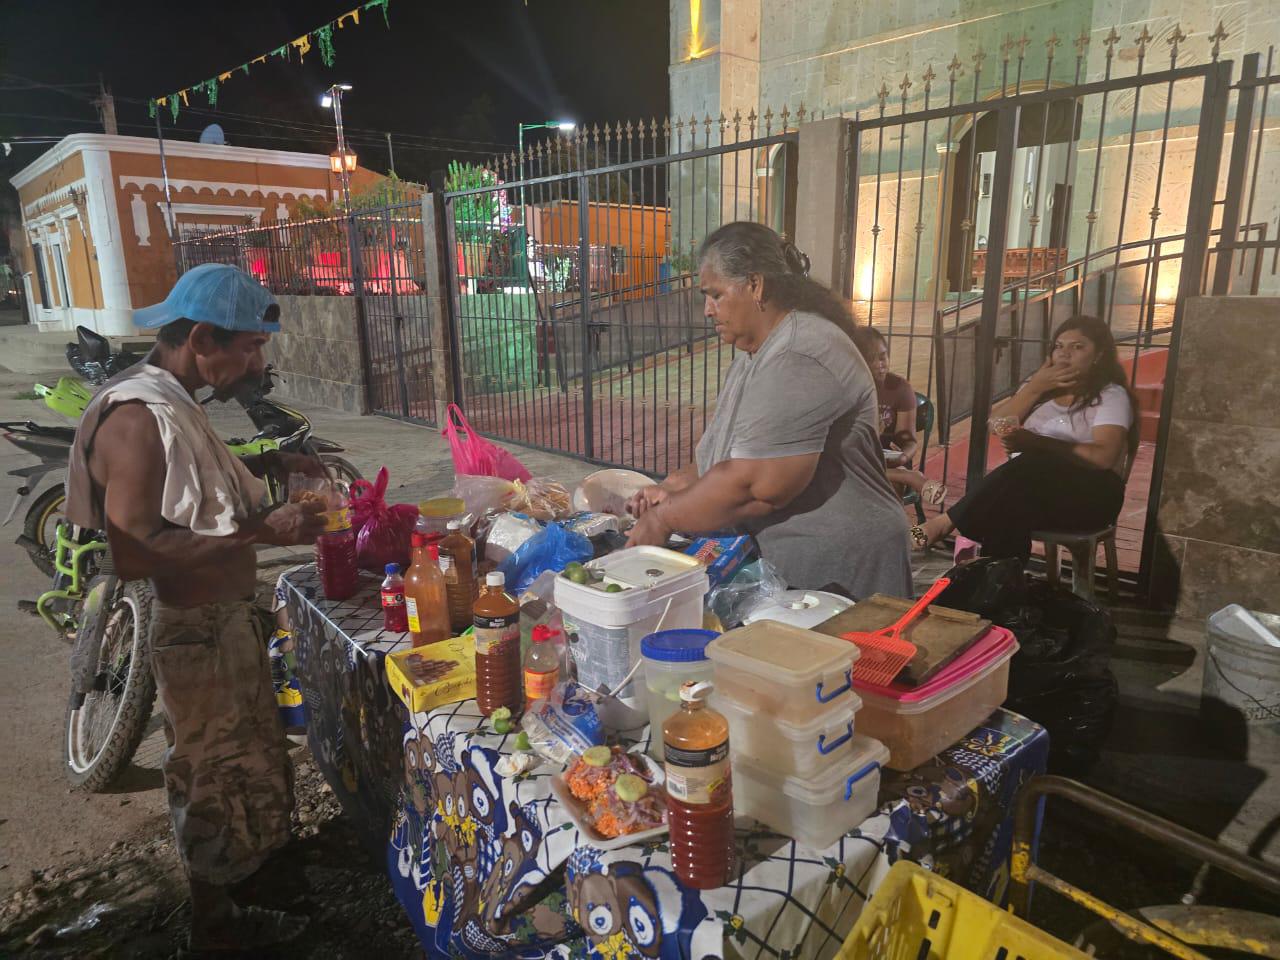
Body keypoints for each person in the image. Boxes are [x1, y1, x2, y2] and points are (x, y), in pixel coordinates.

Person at [64, 264, 330, 952]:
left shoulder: (174, 399)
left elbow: (192, 481)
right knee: (209, 778)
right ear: (202, 337)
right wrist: (256, 531)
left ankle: (253, 896)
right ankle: (215, 929)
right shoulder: (135, 418)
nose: (255, 364)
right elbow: (136, 551)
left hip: (223, 624)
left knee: (248, 764)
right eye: (246, 348)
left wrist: (273, 467)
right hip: (195, 633)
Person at [626, 222, 912, 600]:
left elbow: (755, 485)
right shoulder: (758, 350)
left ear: (756, 286)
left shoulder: (800, 353)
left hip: (842, 571)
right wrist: (672, 489)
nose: (708, 310)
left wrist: (664, 519)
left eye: (716, 295)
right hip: (798, 566)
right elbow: (734, 455)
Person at [911, 315, 1136, 559]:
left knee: (1030, 464)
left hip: (1091, 497)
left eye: (1077, 347)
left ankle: (946, 524)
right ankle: (999, 580)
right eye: (1059, 346)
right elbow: (996, 425)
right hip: (1032, 492)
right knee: (1011, 503)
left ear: (1099, 355)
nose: (1064, 354)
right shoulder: (1040, 389)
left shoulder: (1111, 396)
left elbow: (1103, 457)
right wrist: (1034, 388)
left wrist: (1037, 443)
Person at [850, 325, 945, 507]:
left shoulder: (899, 388)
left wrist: (903, 456)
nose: (880, 364)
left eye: (883, 356)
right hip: (854, 457)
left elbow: (908, 439)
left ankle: (899, 532)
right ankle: (909, 477)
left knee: (889, 487)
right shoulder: (847, 388)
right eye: (871, 359)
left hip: (888, 459)